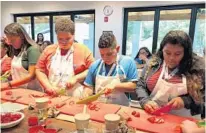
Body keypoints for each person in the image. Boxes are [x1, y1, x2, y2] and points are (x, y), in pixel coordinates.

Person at [136, 30, 205, 117]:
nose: (171, 58)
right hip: (154, 116)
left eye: (177, 54)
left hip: (186, 120)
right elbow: (140, 85)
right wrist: (145, 101)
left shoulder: (198, 67)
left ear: (186, 53)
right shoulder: (153, 63)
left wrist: (185, 101)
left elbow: (204, 95)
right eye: (167, 53)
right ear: (162, 50)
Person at [35, 18, 94, 97]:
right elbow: (39, 70)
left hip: (74, 97)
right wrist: (48, 86)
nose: (64, 42)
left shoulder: (83, 50)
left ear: (73, 35)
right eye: (60, 39)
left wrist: (76, 78)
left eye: (67, 39)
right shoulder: (49, 50)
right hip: (52, 94)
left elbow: (92, 69)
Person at [83, 32, 138, 106]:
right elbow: (88, 87)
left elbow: (134, 87)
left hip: (121, 108)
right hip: (99, 107)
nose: (105, 58)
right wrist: (86, 94)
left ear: (117, 49)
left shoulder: (128, 62)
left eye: (109, 54)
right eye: (102, 55)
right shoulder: (95, 65)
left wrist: (115, 85)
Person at [1, 23, 42, 91]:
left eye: (12, 40)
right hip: (19, 89)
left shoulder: (33, 50)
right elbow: (22, 69)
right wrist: (12, 71)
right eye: (8, 39)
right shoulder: (18, 49)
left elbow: (32, 76)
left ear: (22, 36)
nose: (10, 42)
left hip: (32, 91)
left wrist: (9, 84)